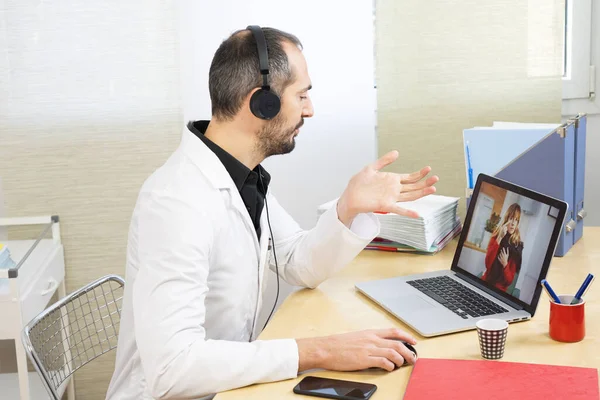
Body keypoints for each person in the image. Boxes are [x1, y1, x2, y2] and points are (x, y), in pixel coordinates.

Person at [106, 26, 438, 400]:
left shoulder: (241, 178)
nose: (309, 109)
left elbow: (298, 263)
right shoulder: (175, 203)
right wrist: (320, 351)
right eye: (302, 94)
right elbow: (172, 369)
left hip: (227, 389)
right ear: (262, 102)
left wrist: (349, 207)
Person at [482, 203, 524, 292]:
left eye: (516, 220)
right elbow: (487, 264)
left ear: (518, 223)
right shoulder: (496, 236)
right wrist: (499, 238)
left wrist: (505, 264)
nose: (513, 223)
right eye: (511, 218)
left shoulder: (517, 247)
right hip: (485, 282)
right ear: (506, 219)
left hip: (499, 291)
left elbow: (509, 281)